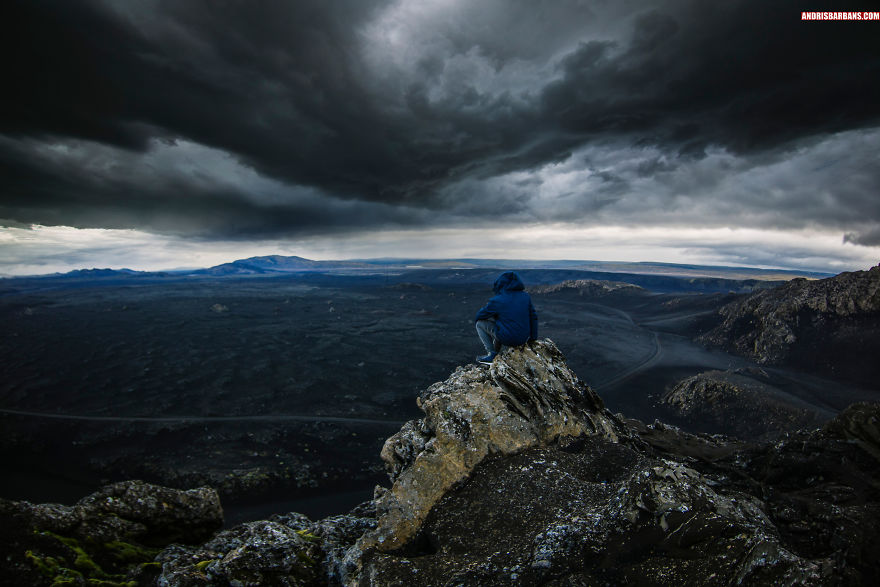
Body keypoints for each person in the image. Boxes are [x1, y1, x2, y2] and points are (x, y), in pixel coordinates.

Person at [474, 271, 538, 364]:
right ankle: (495, 353)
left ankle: (491, 354)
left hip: (508, 339)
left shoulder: (498, 300)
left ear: (501, 283)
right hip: (523, 339)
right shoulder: (525, 297)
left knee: (479, 324)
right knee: (501, 324)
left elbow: (480, 315)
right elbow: (533, 317)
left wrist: (489, 307)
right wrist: (533, 338)